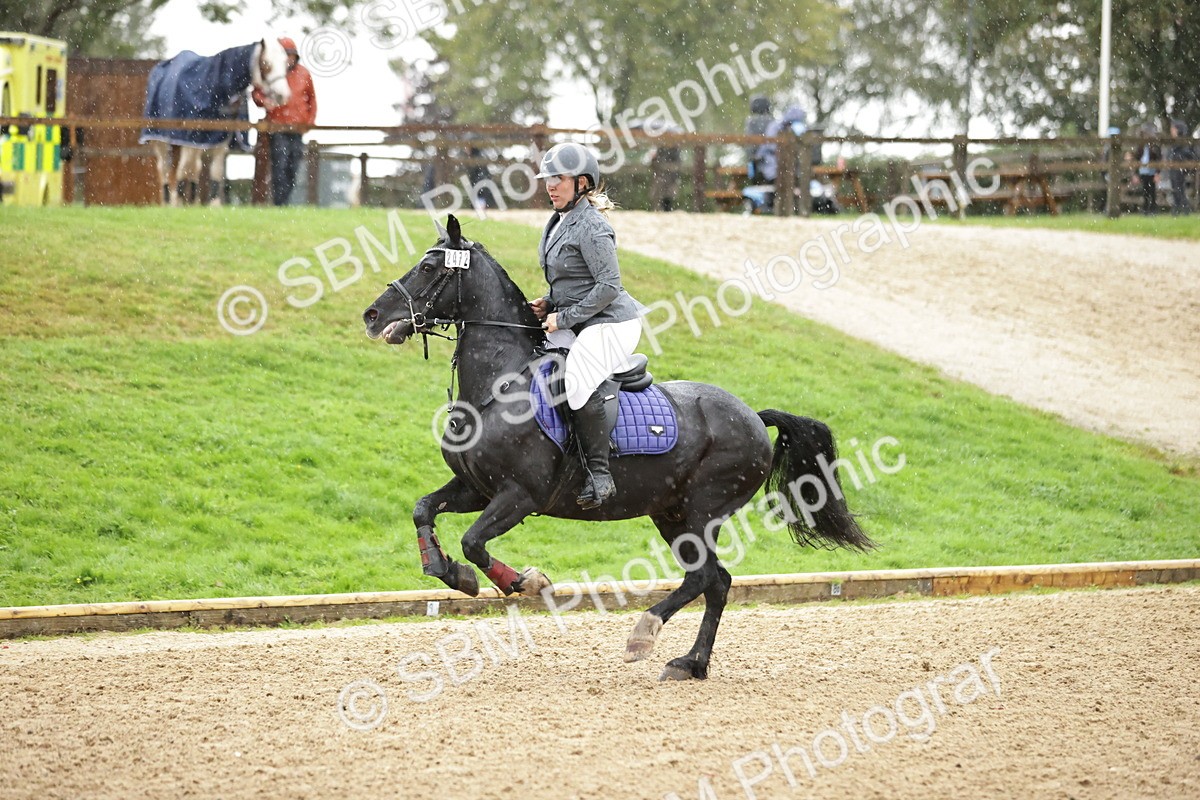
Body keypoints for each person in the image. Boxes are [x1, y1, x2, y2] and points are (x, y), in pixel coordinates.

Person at [528, 142, 647, 509]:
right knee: (534, 361)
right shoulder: (558, 220)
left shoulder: (593, 226)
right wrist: (549, 302)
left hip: (612, 324)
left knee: (576, 383)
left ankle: (600, 473)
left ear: (581, 182)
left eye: (558, 179)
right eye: (548, 178)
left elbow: (609, 287)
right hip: (581, 319)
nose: (550, 185)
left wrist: (561, 317)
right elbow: (572, 280)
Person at [252, 37, 317, 206]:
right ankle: (279, 203)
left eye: (291, 55)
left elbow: (312, 100)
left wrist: (308, 123)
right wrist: (264, 102)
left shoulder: (304, 74)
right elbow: (257, 93)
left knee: (293, 167)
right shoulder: (271, 71)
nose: (288, 59)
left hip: (297, 129)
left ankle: (284, 201)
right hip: (277, 127)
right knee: (279, 166)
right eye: (285, 55)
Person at [1132, 123, 1161, 215]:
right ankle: (1145, 209)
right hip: (1143, 171)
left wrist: (1157, 173)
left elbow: (1158, 161)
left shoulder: (1154, 147)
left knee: (1152, 191)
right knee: (1145, 191)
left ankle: (1152, 209)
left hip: (1151, 172)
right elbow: (1136, 161)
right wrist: (1136, 174)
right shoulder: (1140, 147)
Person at [1167, 119, 1193, 215]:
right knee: (1176, 189)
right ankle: (1178, 208)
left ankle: (1184, 208)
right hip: (1174, 168)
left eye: (1173, 129)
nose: (1171, 131)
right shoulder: (1174, 143)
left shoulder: (1183, 142)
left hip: (1180, 169)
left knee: (1179, 189)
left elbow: (1187, 154)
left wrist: (1178, 159)